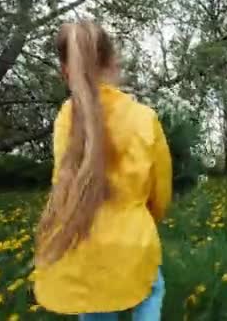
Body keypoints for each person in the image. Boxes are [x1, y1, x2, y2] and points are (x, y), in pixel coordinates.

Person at [33, 20, 172, 321]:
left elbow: (63, 181)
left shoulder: (65, 119)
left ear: (65, 71)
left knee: (95, 305)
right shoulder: (143, 117)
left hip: (81, 238)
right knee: (150, 290)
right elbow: (160, 190)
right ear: (113, 62)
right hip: (133, 239)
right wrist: (148, 218)